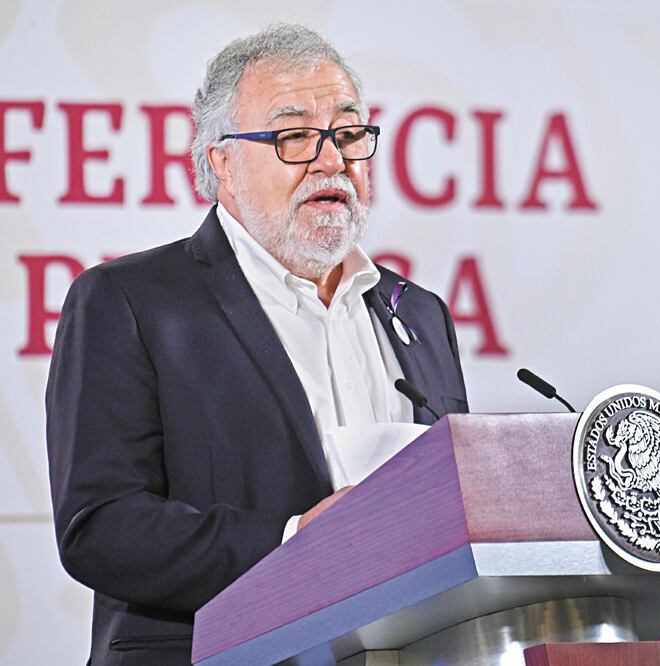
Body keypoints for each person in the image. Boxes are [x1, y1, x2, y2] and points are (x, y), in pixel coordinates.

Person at [46, 24, 468, 665]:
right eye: (294, 136)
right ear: (222, 164)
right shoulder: (129, 302)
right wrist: (294, 540)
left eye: (348, 134)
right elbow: (101, 528)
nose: (332, 161)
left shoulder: (419, 315)